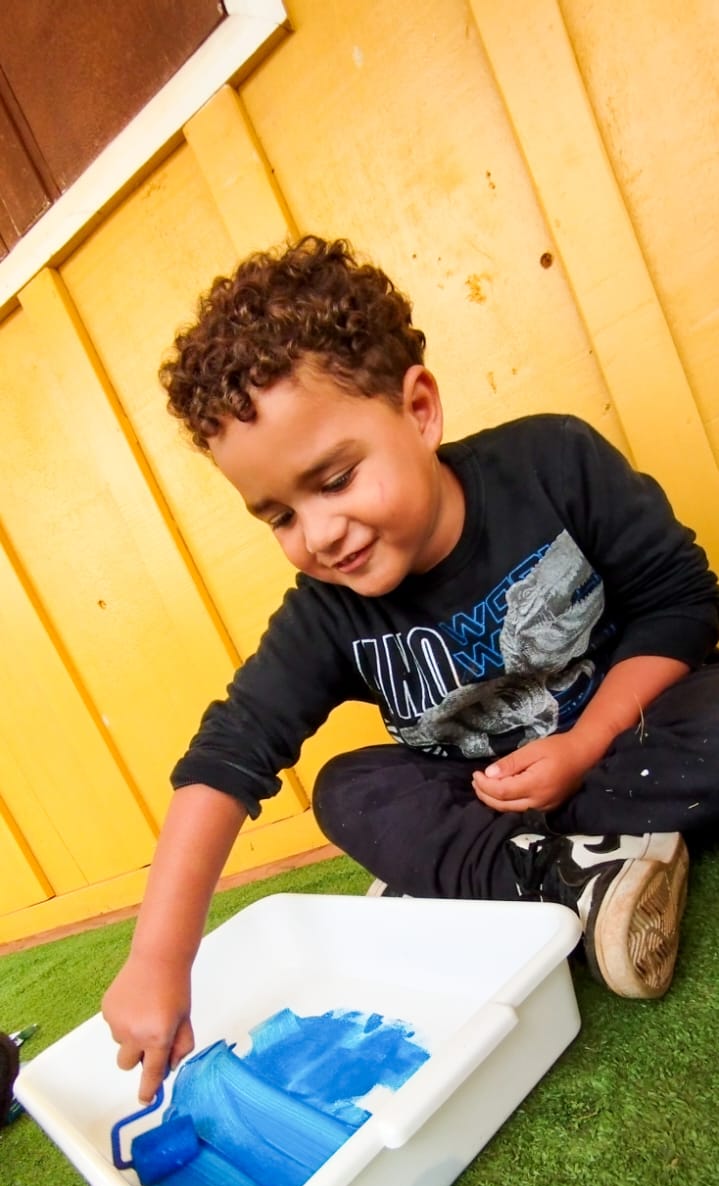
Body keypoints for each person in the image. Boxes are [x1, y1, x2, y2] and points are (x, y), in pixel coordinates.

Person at [102, 235, 719, 1103]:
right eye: (278, 516)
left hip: (621, 739)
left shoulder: (552, 462)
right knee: (351, 788)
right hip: (487, 795)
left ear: (418, 410)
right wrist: (158, 957)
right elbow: (232, 749)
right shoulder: (324, 614)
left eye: (335, 480)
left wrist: (585, 744)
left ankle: (475, 883)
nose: (319, 535)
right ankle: (562, 875)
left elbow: (681, 606)